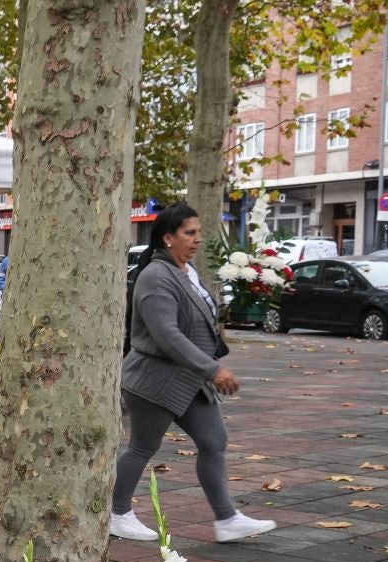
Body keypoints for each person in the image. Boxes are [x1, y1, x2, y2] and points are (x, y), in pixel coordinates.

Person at [111, 202, 277, 544]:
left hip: (188, 379)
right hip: (154, 380)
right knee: (143, 447)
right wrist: (213, 368)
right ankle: (117, 512)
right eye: (190, 233)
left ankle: (227, 519)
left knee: (214, 441)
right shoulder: (156, 276)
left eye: (199, 232)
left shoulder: (186, 270)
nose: (198, 239)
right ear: (168, 238)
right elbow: (166, 335)